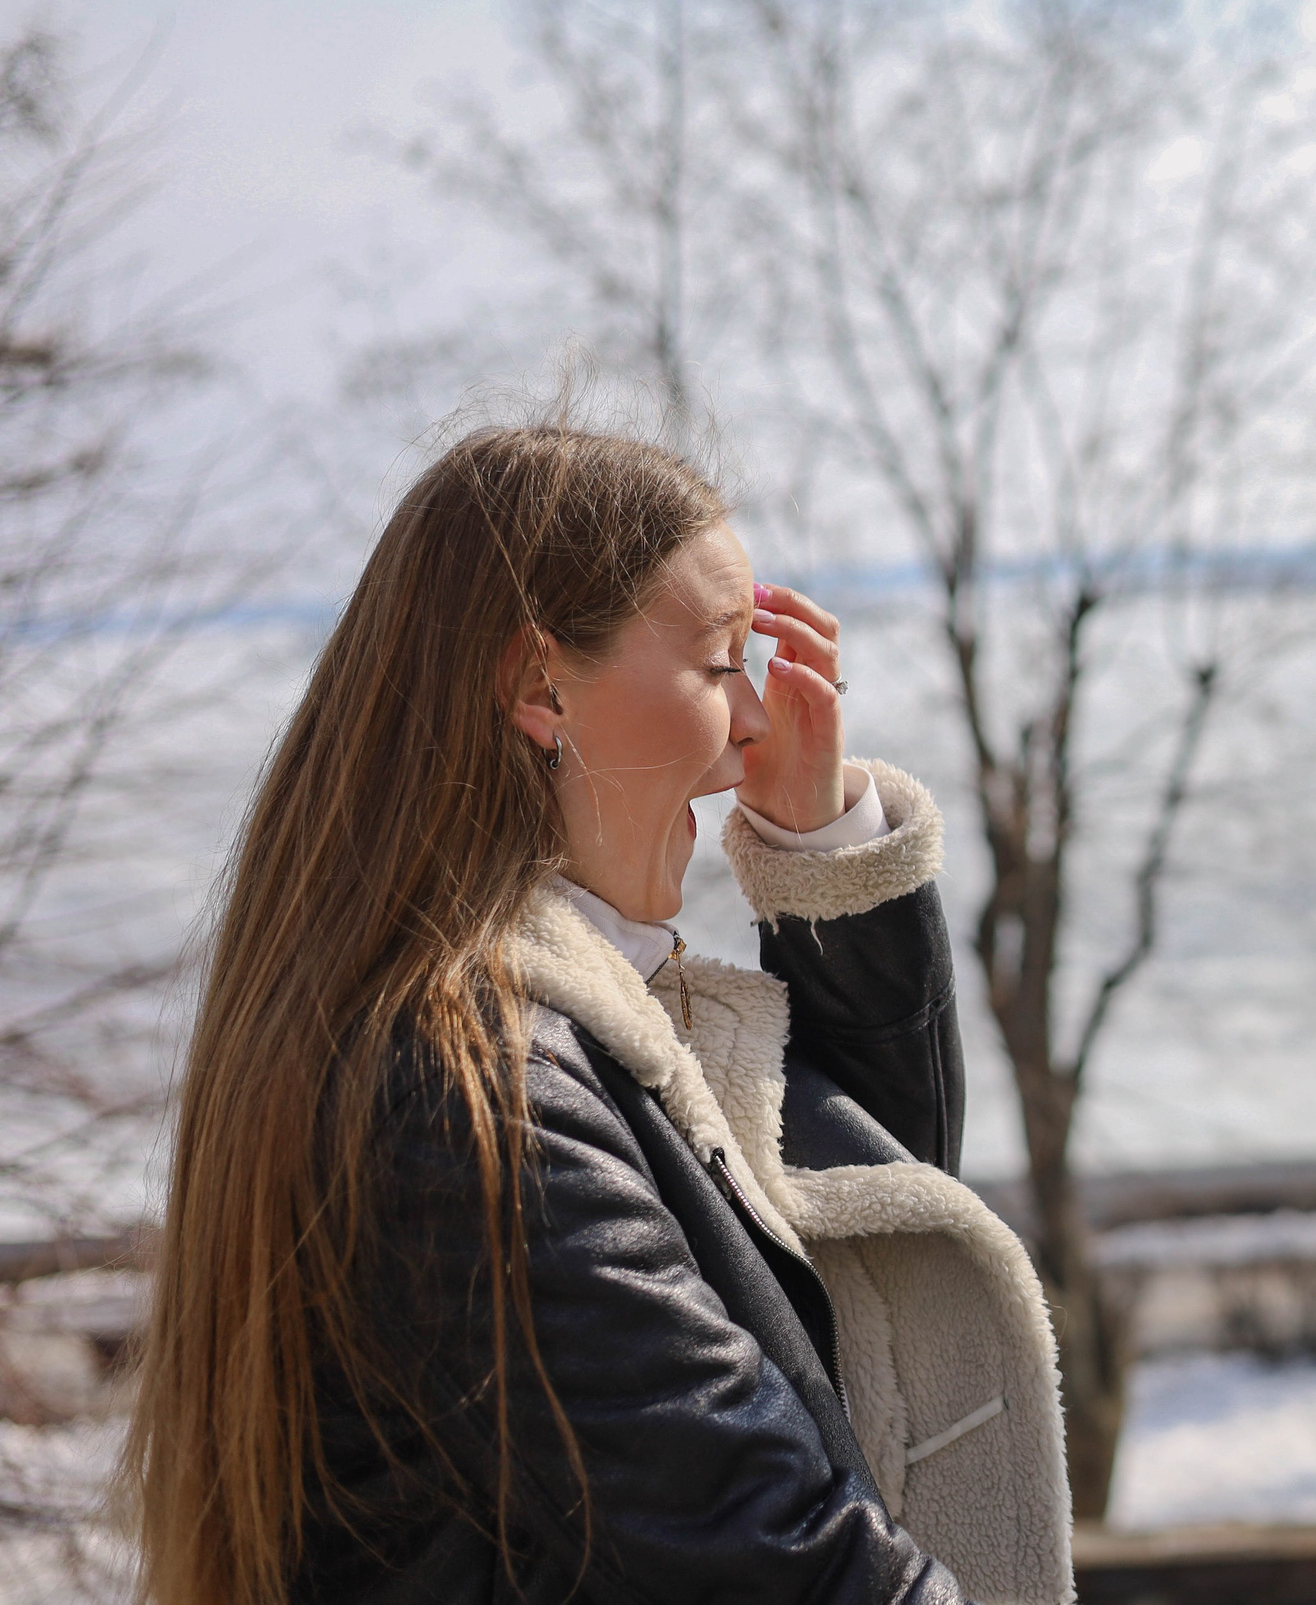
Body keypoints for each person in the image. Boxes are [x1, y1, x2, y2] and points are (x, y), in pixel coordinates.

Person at [122, 423, 1070, 1604]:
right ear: (538, 686)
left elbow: (856, 1280)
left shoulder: (519, 1038)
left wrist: (819, 848)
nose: (757, 727)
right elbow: (780, 1560)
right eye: (724, 665)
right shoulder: (474, 1095)